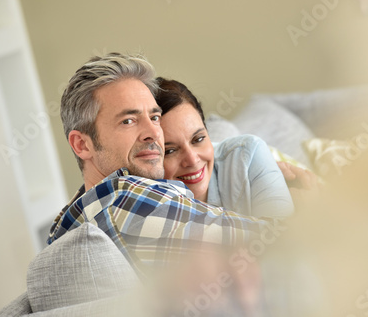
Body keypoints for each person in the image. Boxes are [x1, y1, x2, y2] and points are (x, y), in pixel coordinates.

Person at [48, 52, 285, 276]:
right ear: (82, 145)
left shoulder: (78, 211)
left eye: (154, 117)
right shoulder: (126, 202)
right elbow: (284, 243)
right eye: (128, 121)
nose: (154, 133)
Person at [156, 77, 295, 218]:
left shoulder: (248, 155)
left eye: (198, 139)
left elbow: (280, 232)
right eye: (170, 151)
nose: (192, 160)